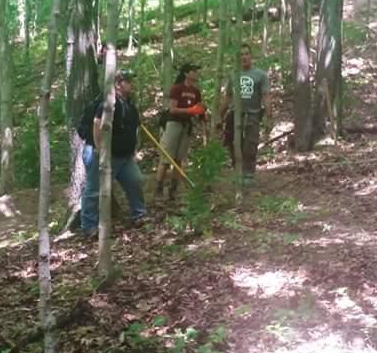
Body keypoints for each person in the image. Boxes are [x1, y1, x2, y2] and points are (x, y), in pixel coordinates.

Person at [78, 69, 147, 237]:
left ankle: (139, 214)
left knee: (135, 180)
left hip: (124, 156)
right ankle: (89, 226)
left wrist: (133, 151)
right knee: (94, 190)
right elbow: (97, 124)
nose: (131, 84)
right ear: (117, 84)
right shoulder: (108, 104)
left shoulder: (129, 105)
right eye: (128, 81)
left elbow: (133, 130)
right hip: (102, 154)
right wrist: (100, 150)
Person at [153, 62, 206, 201]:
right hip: (173, 124)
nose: (196, 73)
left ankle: (173, 190)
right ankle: (158, 189)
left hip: (186, 126)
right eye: (194, 70)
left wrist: (201, 113)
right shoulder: (177, 88)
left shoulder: (196, 91)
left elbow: (199, 108)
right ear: (186, 73)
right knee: (166, 158)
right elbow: (172, 109)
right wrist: (190, 110)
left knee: (178, 160)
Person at [219, 44, 270, 181]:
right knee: (233, 143)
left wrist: (269, 116)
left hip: (253, 113)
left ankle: (248, 173)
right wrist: (220, 115)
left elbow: (265, 95)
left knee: (250, 144)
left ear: (251, 56)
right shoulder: (233, 74)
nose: (244, 57)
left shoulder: (260, 75)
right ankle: (237, 171)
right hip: (235, 113)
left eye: (246, 54)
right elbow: (228, 96)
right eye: (241, 55)